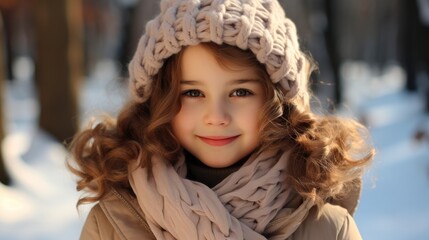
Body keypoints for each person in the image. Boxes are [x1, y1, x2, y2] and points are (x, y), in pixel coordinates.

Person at [68, 0, 374, 239]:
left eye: (240, 92)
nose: (216, 116)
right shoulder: (112, 225)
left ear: (278, 101)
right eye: (192, 93)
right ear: (159, 101)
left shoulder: (328, 229)